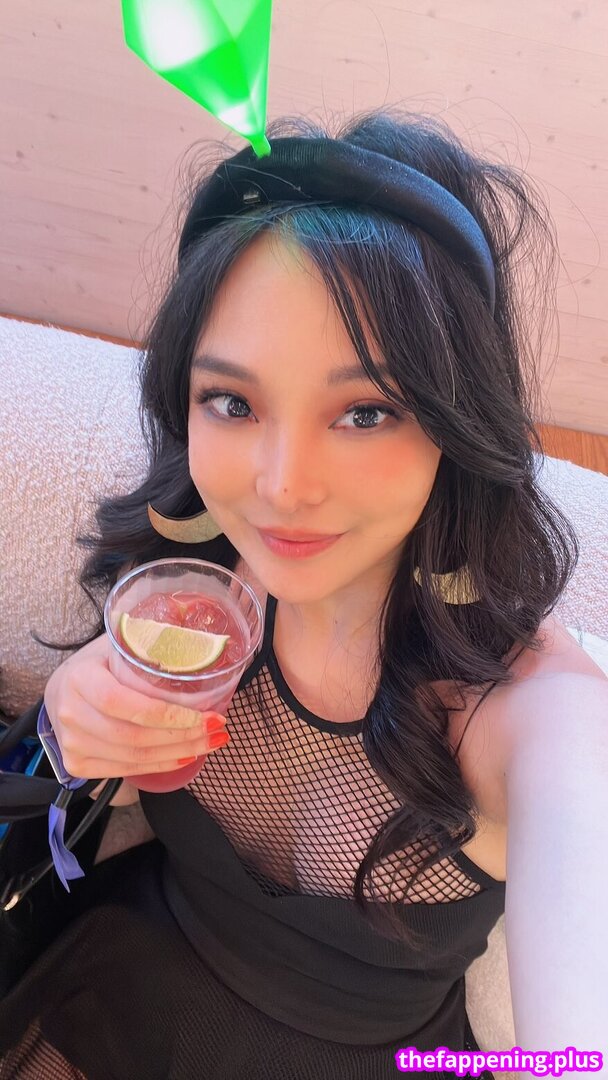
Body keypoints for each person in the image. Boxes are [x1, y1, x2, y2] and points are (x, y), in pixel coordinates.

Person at [1, 107, 607, 1080]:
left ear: (455, 422)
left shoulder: (534, 712)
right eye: (233, 402)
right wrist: (70, 722)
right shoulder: (188, 595)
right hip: (108, 988)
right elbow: (65, 770)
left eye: (364, 411)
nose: (281, 486)